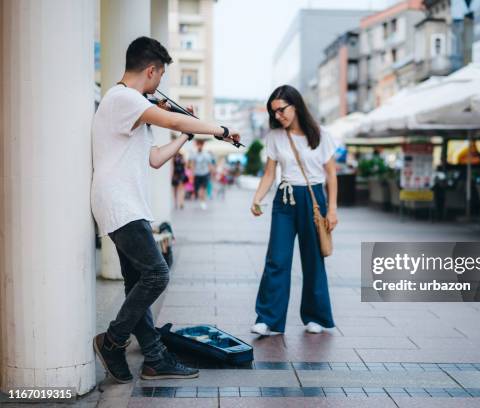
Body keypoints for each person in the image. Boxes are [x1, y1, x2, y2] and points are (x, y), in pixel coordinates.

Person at [91, 36, 240, 383]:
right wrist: (220, 129)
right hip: (119, 202)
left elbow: (155, 159)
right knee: (157, 275)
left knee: (137, 281)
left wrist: (188, 134)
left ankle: (155, 358)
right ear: (151, 70)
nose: (160, 86)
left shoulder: (131, 108)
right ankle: (112, 341)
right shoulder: (124, 99)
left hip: (127, 202)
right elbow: (171, 121)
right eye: (160, 77)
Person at [250, 85, 338, 336]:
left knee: (313, 258)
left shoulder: (321, 135)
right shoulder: (275, 137)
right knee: (277, 259)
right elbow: (269, 173)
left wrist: (332, 210)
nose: (278, 116)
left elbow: (332, 175)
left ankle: (316, 316)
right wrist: (257, 198)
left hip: (314, 200)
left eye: (281, 110)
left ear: (296, 105)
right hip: (285, 200)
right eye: (273, 112)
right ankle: (268, 320)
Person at [190, 139, 215, 210]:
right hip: (197, 174)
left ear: (203, 145)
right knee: (198, 190)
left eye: (201, 144)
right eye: (198, 144)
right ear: (197, 145)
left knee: (203, 189)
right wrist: (192, 174)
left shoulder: (206, 155)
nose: (199, 146)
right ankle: (201, 200)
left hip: (205, 174)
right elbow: (192, 164)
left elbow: (210, 165)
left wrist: (212, 173)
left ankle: (203, 202)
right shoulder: (194, 154)